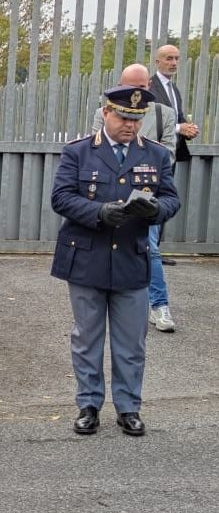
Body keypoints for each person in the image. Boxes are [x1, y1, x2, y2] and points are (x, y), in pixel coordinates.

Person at [51, 86, 180, 437]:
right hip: (87, 258)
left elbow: (171, 199)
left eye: (136, 120)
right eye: (123, 117)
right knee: (87, 338)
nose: (130, 126)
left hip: (131, 259)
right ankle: (89, 405)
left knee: (130, 342)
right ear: (106, 113)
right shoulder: (79, 151)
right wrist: (99, 212)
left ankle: (128, 407)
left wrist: (157, 210)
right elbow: (61, 198)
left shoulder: (154, 154)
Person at [93, 64, 178, 333]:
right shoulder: (102, 112)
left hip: (146, 193)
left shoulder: (165, 114)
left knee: (150, 247)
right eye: (129, 86)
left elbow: (169, 153)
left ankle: (159, 305)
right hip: (110, 193)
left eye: (141, 87)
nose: (135, 92)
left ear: (149, 86)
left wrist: (141, 168)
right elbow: (96, 147)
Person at [149, 44, 198, 268]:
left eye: (177, 58)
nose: (174, 63)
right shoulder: (151, 86)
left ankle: (155, 251)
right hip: (155, 152)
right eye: (169, 58)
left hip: (171, 154)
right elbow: (153, 119)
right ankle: (148, 251)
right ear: (157, 61)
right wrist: (179, 128)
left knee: (164, 200)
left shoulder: (173, 88)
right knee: (150, 199)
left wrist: (188, 128)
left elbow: (176, 118)